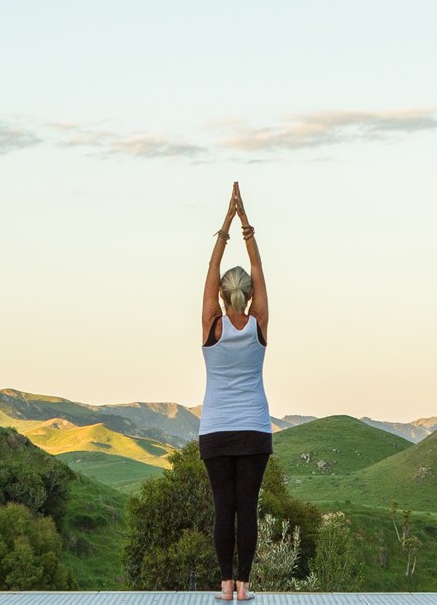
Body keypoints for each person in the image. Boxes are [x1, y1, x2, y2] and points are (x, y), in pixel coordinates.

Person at [199, 181, 272, 602]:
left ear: (224, 297)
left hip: (216, 430)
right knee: (248, 509)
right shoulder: (259, 324)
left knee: (223, 509)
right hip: (254, 430)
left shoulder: (212, 325)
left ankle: (225, 588)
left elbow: (210, 276)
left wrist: (226, 225)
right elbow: (259, 275)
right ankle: (245, 587)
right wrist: (249, 229)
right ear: (247, 296)